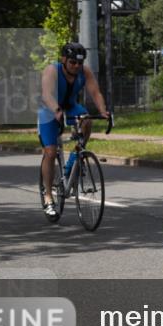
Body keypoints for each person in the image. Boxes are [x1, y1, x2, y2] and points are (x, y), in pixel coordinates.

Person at [38, 43, 110, 219]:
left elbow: (96, 93)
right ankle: (48, 197)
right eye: (72, 62)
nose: (76, 66)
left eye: (79, 63)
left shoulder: (85, 72)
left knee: (86, 120)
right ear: (63, 60)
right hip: (49, 110)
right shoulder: (52, 71)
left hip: (70, 107)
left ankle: (72, 163)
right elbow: (47, 95)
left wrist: (103, 111)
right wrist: (56, 111)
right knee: (50, 151)